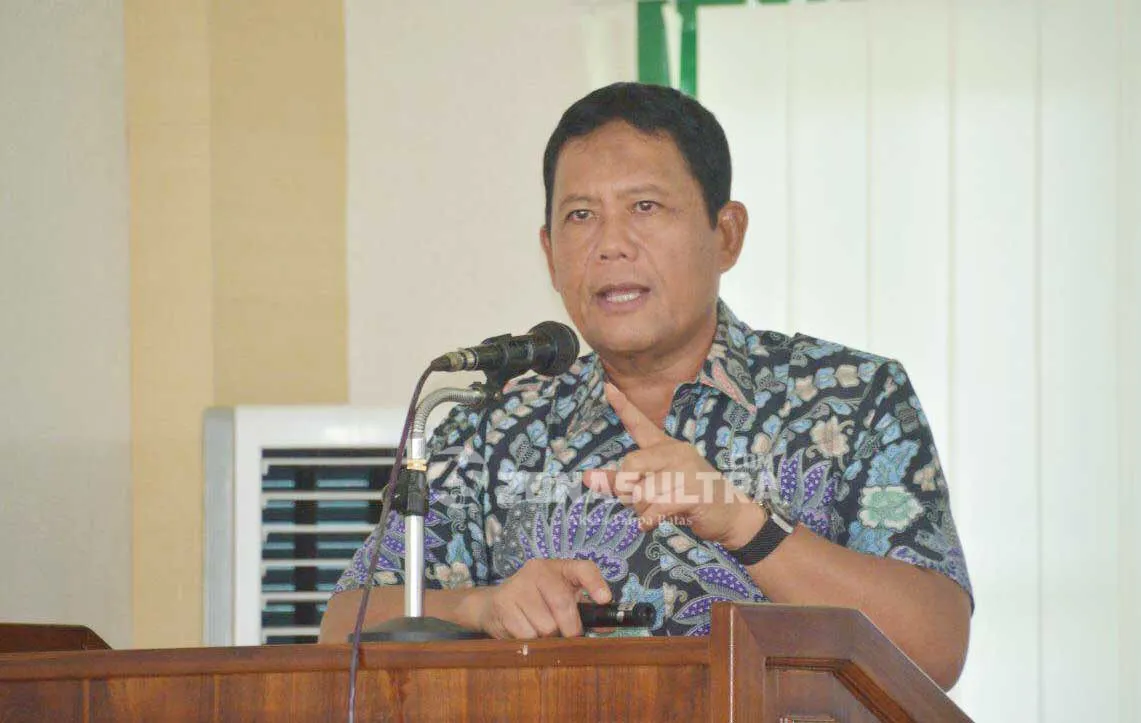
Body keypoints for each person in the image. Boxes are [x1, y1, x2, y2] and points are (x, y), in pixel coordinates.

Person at [319, 82, 972, 689]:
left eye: (645, 207)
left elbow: (936, 647)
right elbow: (342, 625)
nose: (610, 245)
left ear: (726, 234)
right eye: (581, 215)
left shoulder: (854, 399)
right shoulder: (488, 429)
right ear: (549, 253)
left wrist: (747, 524)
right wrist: (480, 607)